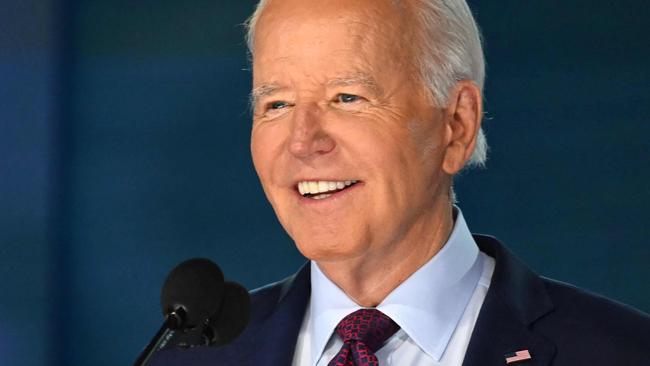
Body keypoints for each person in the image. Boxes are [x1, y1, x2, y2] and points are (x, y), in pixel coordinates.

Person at [150, 0, 649, 365]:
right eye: (277, 105)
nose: (303, 142)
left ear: (456, 124)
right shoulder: (185, 359)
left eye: (347, 97)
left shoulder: (621, 352)